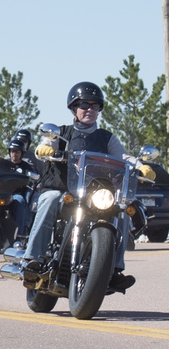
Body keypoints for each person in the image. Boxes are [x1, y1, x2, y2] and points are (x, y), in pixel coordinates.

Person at [22, 81, 154, 294]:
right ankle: (33, 259)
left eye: (95, 106)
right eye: (84, 105)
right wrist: (45, 148)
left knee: (123, 209)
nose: (90, 110)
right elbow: (47, 145)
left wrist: (141, 166)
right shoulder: (62, 133)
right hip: (65, 190)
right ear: (74, 108)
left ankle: (115, 268)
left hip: (95, 193)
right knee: (49, 199)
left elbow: (122, 155)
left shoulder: (106, 137)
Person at [4, 137, 36, 243]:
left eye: (17, 151)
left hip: (16, 194)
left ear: (22, 153)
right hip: (2, 193)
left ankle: (19, 235)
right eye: (12, 151)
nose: (14, 154)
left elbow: (32, 179)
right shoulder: (4, 164)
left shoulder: (26, 166)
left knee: (21, 201)